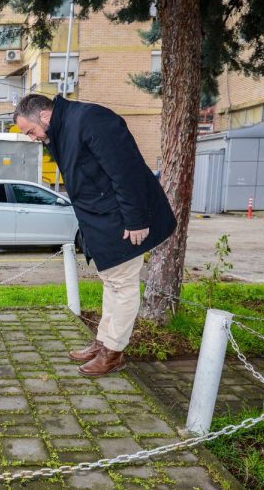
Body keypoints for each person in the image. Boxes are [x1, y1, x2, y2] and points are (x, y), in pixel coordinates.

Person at [13, 94, 176, 377]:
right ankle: (103, 342)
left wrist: (136, 219)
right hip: (101, 220)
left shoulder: (91, 119)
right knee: (111, 282)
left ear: (45, 117)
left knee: (122, 285)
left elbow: (126, 171)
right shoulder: (62, 130)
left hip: (123, 220)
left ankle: (113, 352)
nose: (32, 138)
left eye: (31, 131)